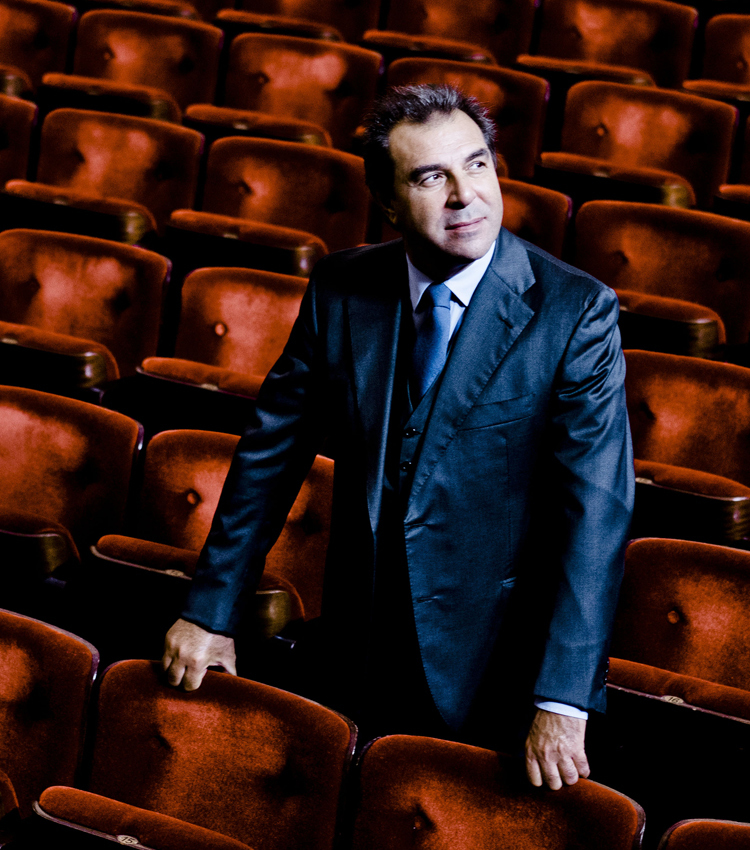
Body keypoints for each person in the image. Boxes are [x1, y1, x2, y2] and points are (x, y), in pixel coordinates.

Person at [161, 84, 632, 790]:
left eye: (476, 165)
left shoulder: (574, 311)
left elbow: (595, 513)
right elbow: (270, 454)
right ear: (387, 202)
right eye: (431, 177)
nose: (465, 196)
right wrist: (210, 612)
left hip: (494, 669)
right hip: (355, 648)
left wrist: (563, 699)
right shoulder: (340, 287)